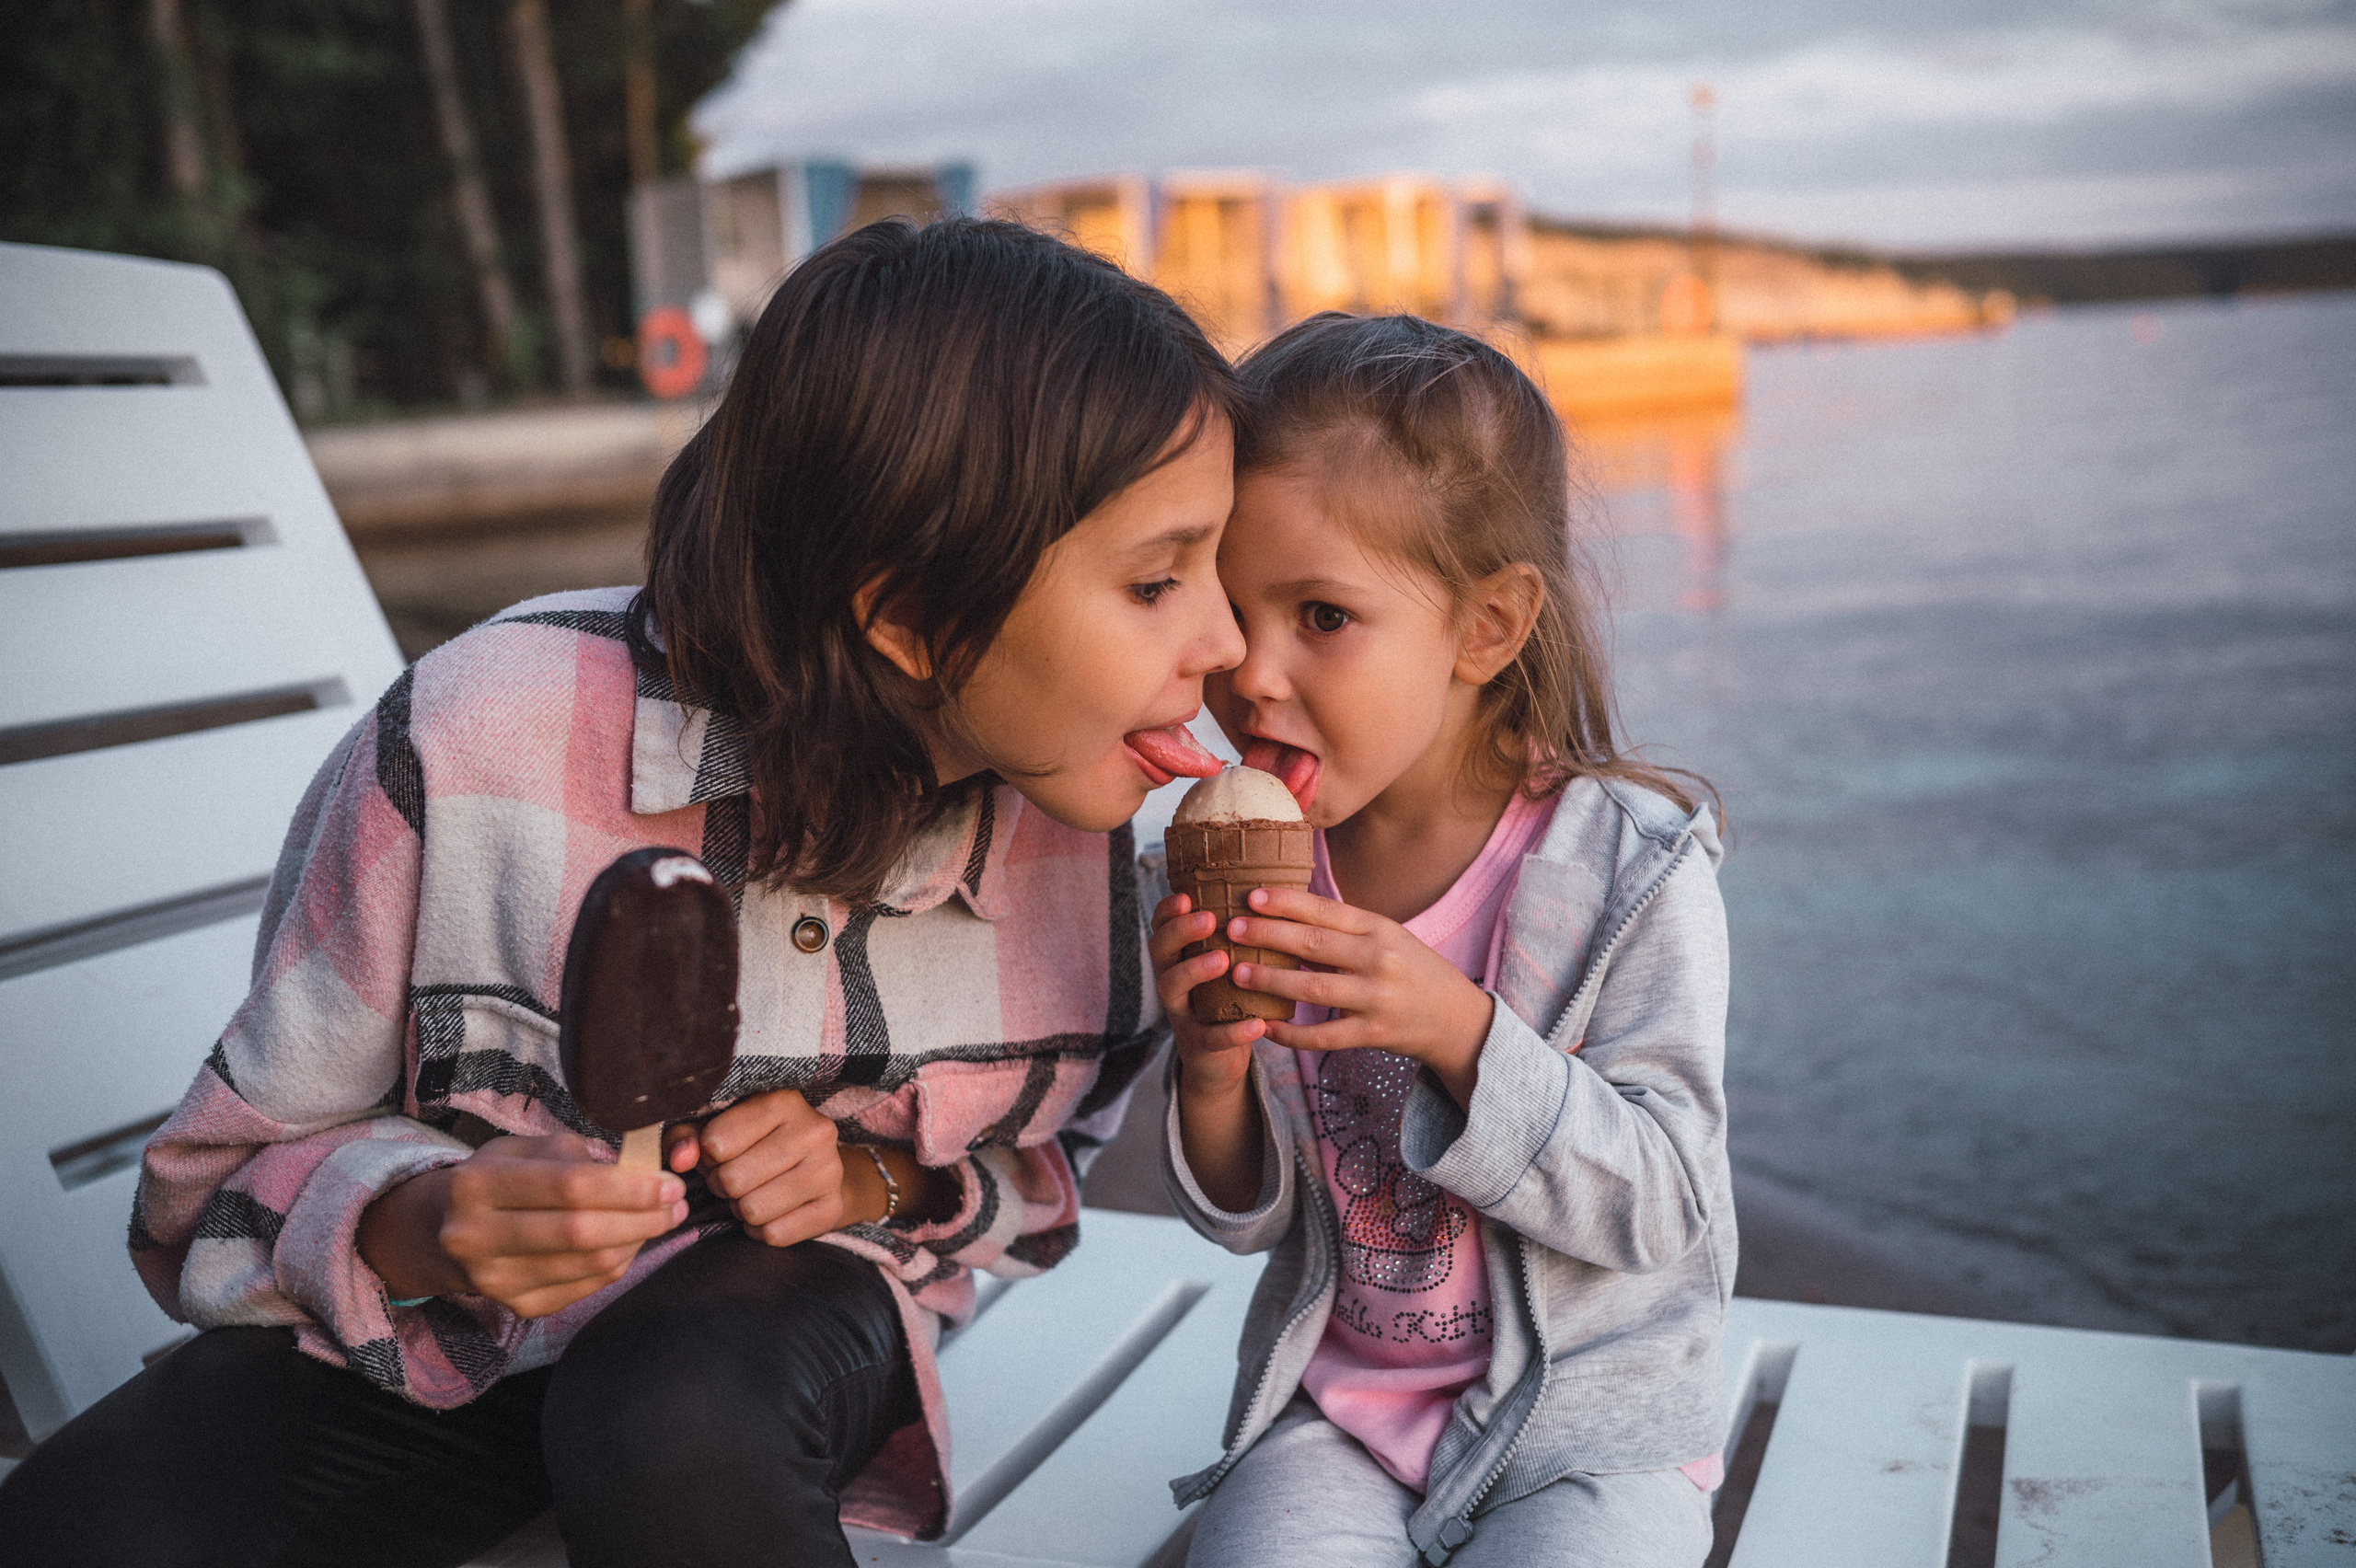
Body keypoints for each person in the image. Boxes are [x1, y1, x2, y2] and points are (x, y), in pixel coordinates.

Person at [0, 217, 1246, 1567]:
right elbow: (213, 1187)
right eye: (1156, 582)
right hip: (436, 1337)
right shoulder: (478, 744)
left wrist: (864, 1174)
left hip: (775, 1332)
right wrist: (427, 1225)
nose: (1226, 642)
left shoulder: (1083, 815)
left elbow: (1043, 1178)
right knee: (86, 1527)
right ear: (908, 618)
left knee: (670, 1422)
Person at [1154, 313, 1733, 1567]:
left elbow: (1667, 1208)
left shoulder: (1632, 872)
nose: (1251, 674)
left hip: (1586, 1434)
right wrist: (1207, 1072)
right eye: (1231, 609)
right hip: (1342, 1415)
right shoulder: (1249, 865)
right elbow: (1247, 1224)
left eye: (1321, 615)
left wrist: (1464, 1034)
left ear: (1488, 627)